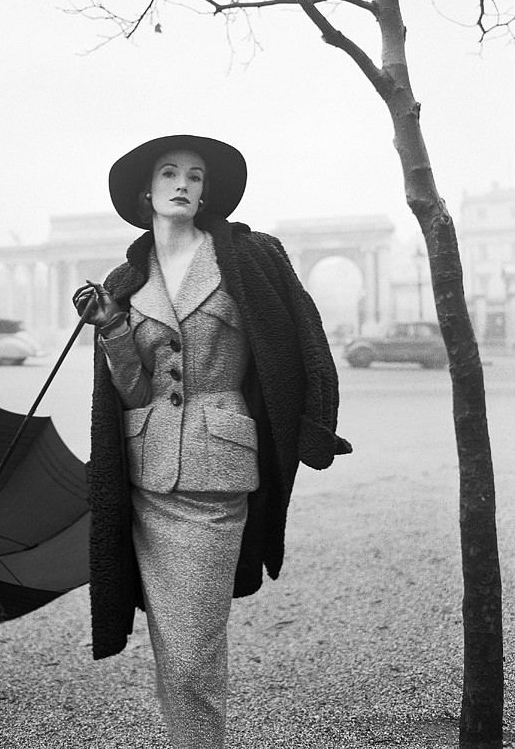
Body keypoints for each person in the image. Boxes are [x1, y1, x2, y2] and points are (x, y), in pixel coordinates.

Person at [73, 134, 351, 749]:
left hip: (215, 478)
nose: (183, 185)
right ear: (145, 191)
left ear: (206, 191)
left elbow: (304, 341)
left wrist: (315, 423)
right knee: (172, 648)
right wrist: (113, 329)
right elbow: (134, 393)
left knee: (193, 648)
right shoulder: (125, 280)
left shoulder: (250, 258)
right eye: (169, 174)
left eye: (195, 177)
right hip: (144, 481)